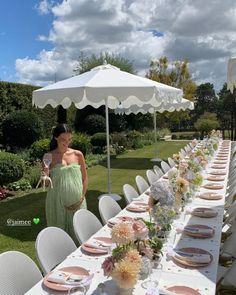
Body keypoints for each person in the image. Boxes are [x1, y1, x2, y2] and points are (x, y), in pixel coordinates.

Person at [43, 124, 88, 240]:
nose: (66, 142)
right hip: (57, 203)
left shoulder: (78, 154)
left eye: (69, 139)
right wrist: (45, 174)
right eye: (63, 139)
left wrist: (81, 198)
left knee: (80, 233)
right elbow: (47, 184)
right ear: (56, 138)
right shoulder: (48, 156)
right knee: (60, 237)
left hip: (78, 202)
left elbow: (85, 179)